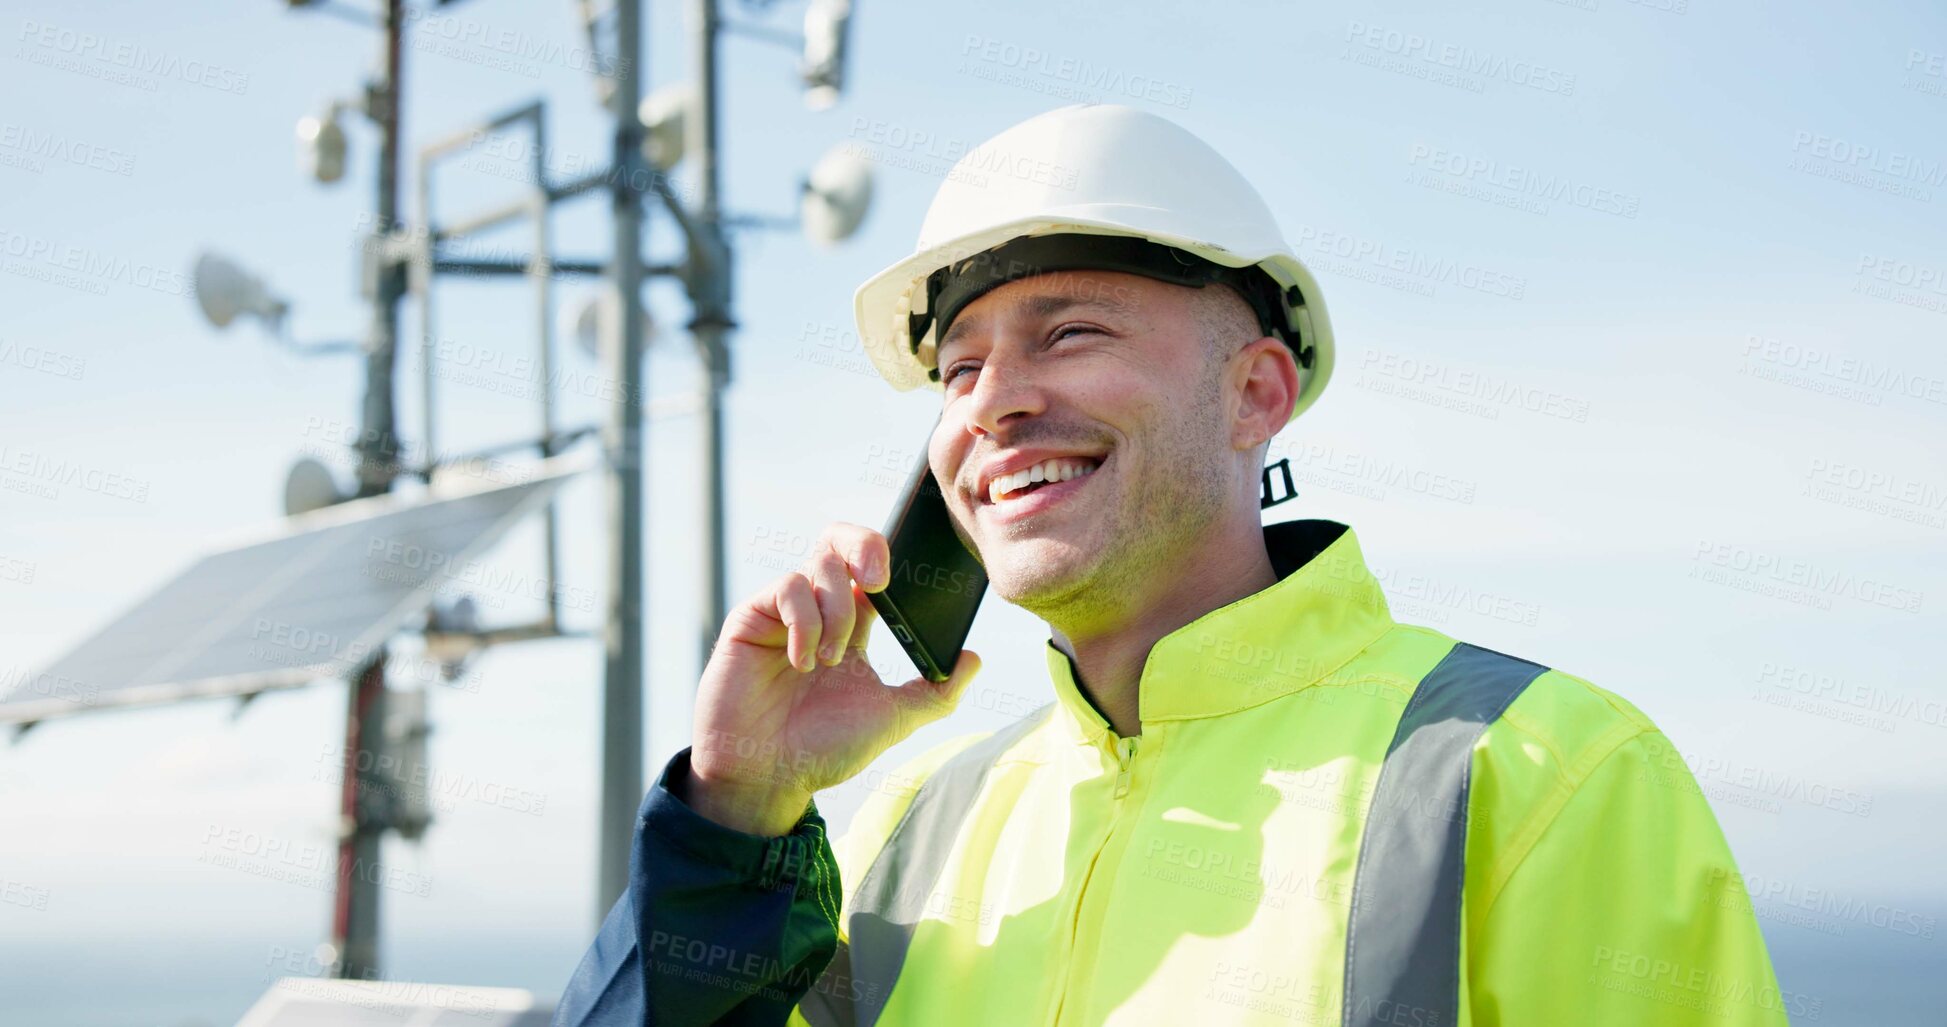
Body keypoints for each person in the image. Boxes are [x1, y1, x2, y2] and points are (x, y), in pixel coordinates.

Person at [553, 104, 1791, 1027]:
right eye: (959, 368)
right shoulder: (912, 831)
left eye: (1072, 332)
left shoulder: (1540, 770)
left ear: (1258, 391)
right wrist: (735, 815)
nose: (994, 405)